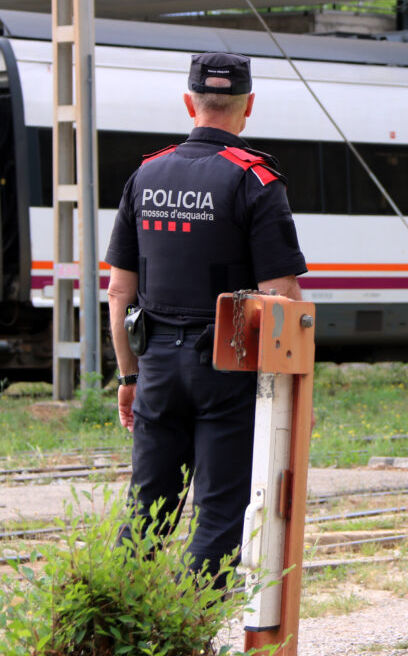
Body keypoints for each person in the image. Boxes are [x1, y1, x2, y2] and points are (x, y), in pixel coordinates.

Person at [106, 52, 307, 580]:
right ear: (249, 107)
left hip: (154, 369)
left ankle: (117, 632)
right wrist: (288, 391)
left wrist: (129, 376)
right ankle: (185, 634)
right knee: (219, 514)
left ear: (189, 102)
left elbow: (118, 292)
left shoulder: (145, 175)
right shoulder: (255, 181)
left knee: (147, 511)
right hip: (225, 369)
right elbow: (280, 296)